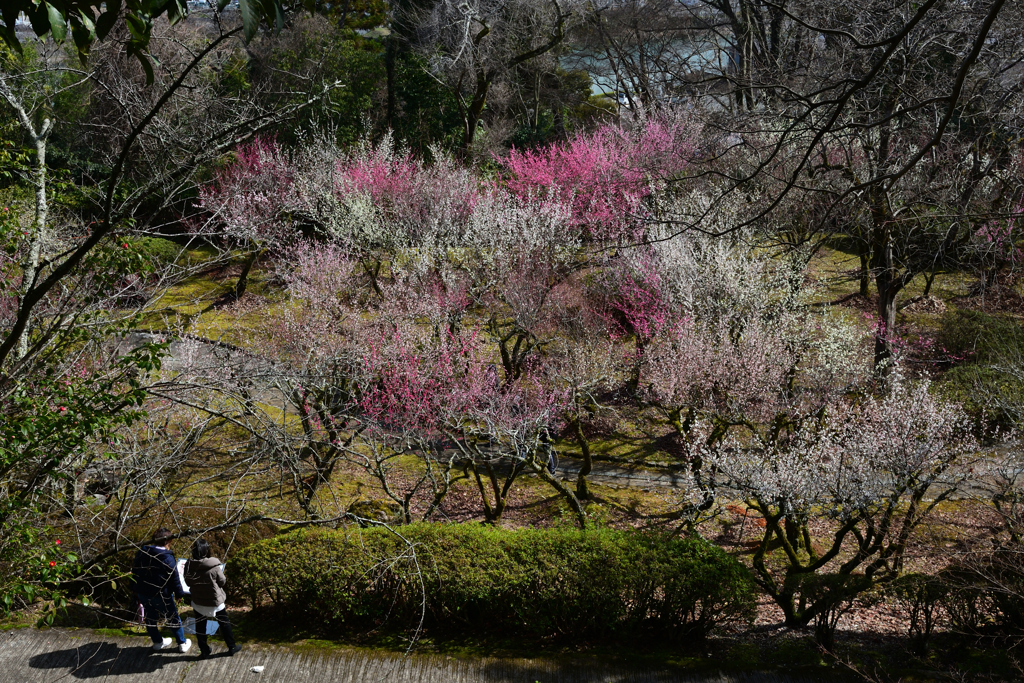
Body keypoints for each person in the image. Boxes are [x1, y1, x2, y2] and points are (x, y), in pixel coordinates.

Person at [132, 528, 191, 653]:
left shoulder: (143, 552)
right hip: (161, 594)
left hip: (143, 591)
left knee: (150, 617)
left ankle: (158, 642)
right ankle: (182, 642)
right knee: (173, 617)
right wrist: (179, 593)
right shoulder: (167, 558)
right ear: (168, 541)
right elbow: (174, 578)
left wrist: (135, 587)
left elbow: (135, 570)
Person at [184, 538, 241, 658]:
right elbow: (222, 581)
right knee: (224, 623)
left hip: (198, 601)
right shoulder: (214, 567)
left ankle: (204, 650)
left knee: (200, 625)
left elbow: (188, 582)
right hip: (215, 600)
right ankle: (231, 647)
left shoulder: (189, 566)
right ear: (207, 550)